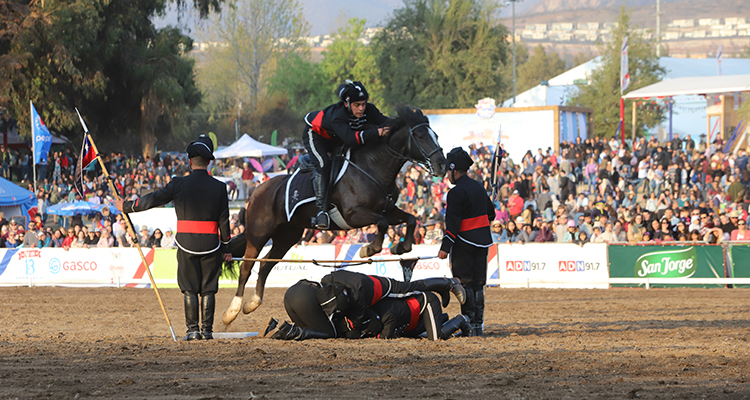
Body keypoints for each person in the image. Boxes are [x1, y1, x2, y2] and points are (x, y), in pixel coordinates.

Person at [116, 135, 231, 341]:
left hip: (186, 243)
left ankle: (192, 331)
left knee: (189, 288)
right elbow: (224, 221)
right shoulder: (220, 187)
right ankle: (207, 331)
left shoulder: (179, 184)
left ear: (189, 161)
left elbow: (153, 199)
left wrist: (128, 206)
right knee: (208, 290)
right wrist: (227, 248)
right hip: (211, 245)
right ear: (209, 161)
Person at [270, 270, 465, 341]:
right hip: (365, 289)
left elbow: (355, 328)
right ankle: (443, 300)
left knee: (412, 287)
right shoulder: (328, 280)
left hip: (382, 287)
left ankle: (448, 283)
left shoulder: (358, 303)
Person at [302, 80, 390, 229]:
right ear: (347, 104)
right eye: (357, 105)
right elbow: (351, 138)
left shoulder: (369, 109)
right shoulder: (338, 115)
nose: (361, 108)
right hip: (316, 135)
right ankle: (321, 211)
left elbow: (386, 122)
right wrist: (377, 132)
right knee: (323, 164)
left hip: (336, 138)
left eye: (363, 104)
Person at [438, 147, 495, 337]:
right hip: (483, 243)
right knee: (479, 284)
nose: (447, 175)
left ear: (454, 169)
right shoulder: (478, 187)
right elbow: (491, 214)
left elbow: (453, 226)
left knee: (465, 284)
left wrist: (445, 248)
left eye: (448, 171)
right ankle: (478, 325)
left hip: (464, 244)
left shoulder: (455, 193)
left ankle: (469, 325)